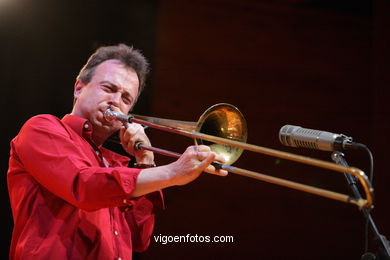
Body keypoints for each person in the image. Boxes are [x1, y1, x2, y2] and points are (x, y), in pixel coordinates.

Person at [7, 44, 227, 260]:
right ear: (79, 87)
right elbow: (84, 185)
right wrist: (172, 173)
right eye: (109, 89)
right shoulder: (42, 128)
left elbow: (138, 239)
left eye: (126, 98)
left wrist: (146, 160)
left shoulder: (114, 166)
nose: (116, 101)